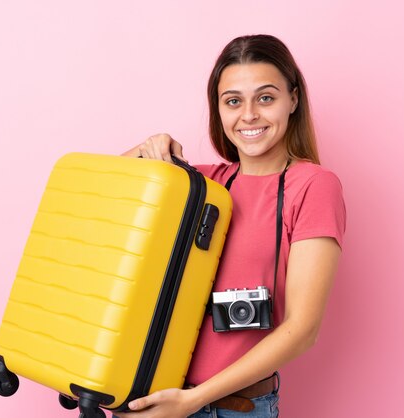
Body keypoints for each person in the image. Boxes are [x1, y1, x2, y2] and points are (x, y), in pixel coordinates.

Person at [118, 34, 346, 418]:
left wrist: (193, 400)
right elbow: (101, 194)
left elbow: (303, 328)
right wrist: (146, 149)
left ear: (293, 99)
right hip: (146, 397)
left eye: (266, 97)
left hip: (234, 407)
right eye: (234, 101)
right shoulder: (198, 185)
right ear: (218, 110)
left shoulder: (314, 186)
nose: (250, 114)